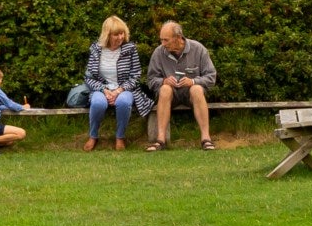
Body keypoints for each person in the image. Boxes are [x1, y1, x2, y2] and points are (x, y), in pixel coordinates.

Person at [146, 21, 217, 150]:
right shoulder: (158, 52)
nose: (163, 44)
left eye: (166, 40)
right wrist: (163, 81)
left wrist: (194, 81)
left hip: (192, 95)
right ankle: (160, 140)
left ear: (178, 38)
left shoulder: (198, 49)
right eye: (161, 40)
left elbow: (211, 76)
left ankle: (206, 139)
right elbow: (150, 80)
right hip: (169, 96)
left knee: (196, 89)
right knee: (165, 89)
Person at [81, 16, 145, 150]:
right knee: (98, 103)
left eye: (122, 33)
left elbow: (136, 75)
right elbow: (89, 77)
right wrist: (104, 90)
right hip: (101, 89)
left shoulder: (131, 49)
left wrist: (119, 90)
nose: (120, 37)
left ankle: (120, 137)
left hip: (125, 89)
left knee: (123, 102)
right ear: (107, 35)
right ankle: (93, 136)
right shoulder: (96, 49)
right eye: (116, 34)